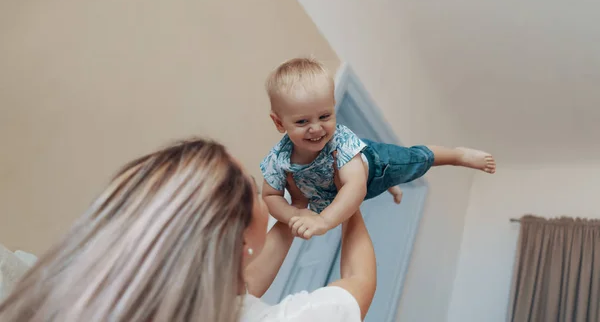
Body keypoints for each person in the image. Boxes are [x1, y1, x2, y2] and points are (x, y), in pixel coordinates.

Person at [0, 138, 376, 322]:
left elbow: (235, 291)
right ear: (241, 239)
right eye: (253, 189)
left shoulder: (64, 290)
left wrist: (295, 211)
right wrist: (343, 198)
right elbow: (359, 284)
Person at [261, 57, 497, 240]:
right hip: (349, 181)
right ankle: (391, 186)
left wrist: (324, 221)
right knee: (369, 177)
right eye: (302, 122)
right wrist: (295, 213)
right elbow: (271, 195)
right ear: (279, 123)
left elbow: (355, 187)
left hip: (377, 166)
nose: (316, 128)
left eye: (324, 116)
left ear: (334, 107)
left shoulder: (339, 141)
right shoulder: (278, 159)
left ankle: (457, 155)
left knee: (414, 158)